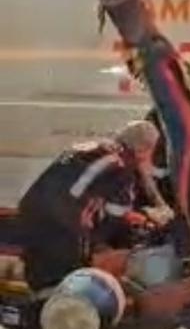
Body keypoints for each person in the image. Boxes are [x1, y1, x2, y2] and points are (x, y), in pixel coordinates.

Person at [17, 121, 164, 291]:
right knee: (68, 274)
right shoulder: (122, 166)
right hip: (63, 222)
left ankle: (36, 290)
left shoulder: (93, 148)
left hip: (30, 209)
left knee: (39, 263)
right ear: (142, 150)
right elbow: (115, 217)